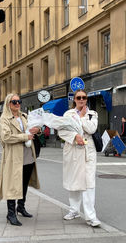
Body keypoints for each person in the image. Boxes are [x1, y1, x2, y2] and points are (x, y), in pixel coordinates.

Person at [58, 89, 101, 227]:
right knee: (74, 183)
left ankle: (91, 217)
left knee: (89, 184)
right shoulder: (68, 114)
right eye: (79, 97)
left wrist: (82, 117)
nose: (81, 100)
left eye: (84, 97)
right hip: (73, 151)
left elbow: (92, 129)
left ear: (87, 99)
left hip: (88, 153)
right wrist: (74, 137)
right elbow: (62, 131)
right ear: (74, 99)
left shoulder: (92, 114)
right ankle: (74, 210)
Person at [0, 93, 40, 226]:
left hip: (28, 154)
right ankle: (11, 214)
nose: (17, 104)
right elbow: (6, 137)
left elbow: (33, 129)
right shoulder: (4, 119)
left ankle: (21, 207)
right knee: (12, 184)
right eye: (14, 101)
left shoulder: (24, 116)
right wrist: (24, 137)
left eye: (18, 101)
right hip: (13, 157)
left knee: (24, 183)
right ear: (8, 103)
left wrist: (37, 130)